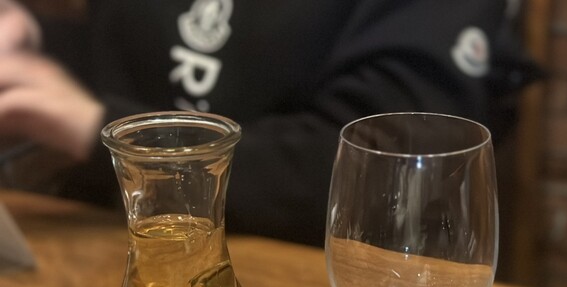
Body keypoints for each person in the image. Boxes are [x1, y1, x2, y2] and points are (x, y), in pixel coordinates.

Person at [0, 0, 539, 245]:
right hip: (124, 255)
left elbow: (379, 172)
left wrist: (105, 129)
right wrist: (38, 39)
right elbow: (137, 58)